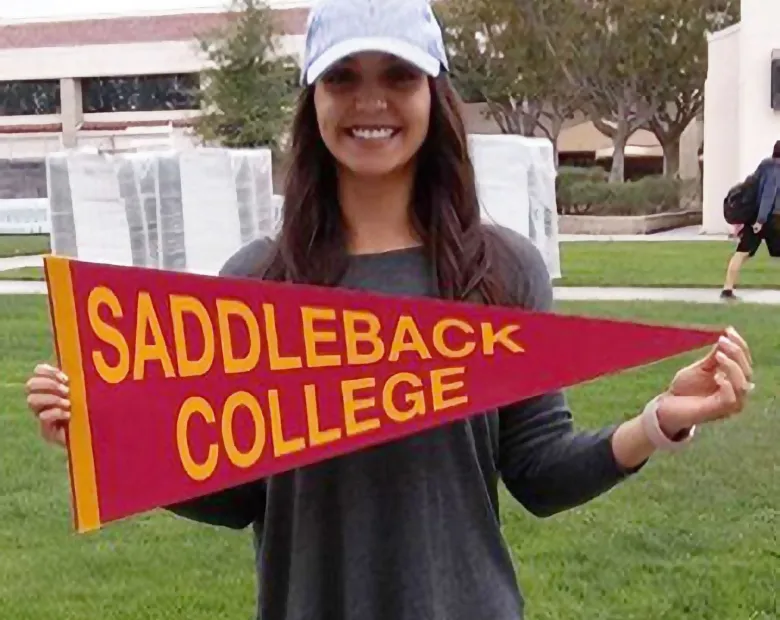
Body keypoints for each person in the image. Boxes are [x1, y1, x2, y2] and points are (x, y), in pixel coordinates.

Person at [25, 1, 755, 619]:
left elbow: (537, 470)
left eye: (398, 76)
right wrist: (106, 435)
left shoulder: (500, 273)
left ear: (433, 93)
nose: (369, 101)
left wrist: (658, 422)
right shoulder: (256, 282)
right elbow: (238, 495)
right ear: (312, 99)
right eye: (342, 77)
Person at [721, 140, 780, 300]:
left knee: (742, 252)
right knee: (743, 252)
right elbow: (768, 195)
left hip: (755, 217)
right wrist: (761, 221)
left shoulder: (764, 166)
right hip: (770, 219)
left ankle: (727, 290)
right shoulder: (775, 169)